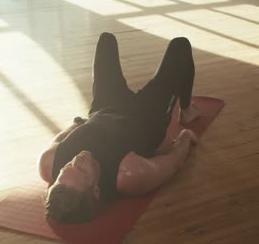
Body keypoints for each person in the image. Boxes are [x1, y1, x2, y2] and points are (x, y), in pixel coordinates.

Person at [36, 32, 201, 223]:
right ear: (96, 190)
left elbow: (58, 139)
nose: (76, 158)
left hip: (105, 106)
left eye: (65, 168)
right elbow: (173, 162)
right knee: (180, 46)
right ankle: (187, 109)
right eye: (81, 169)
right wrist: (186, 138)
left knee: (106, 40)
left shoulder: (48, 164)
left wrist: (75, 123)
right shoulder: (129, 174)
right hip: (147, 115)